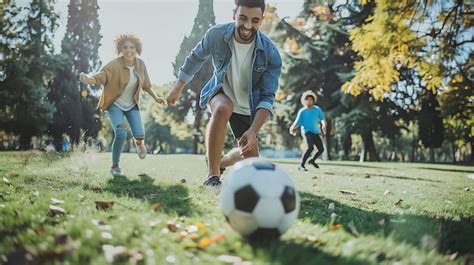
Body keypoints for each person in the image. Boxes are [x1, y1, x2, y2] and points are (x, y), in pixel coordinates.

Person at [166, 0, 282, 187]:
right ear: (234, 13)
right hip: (221, 92)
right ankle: (213, 177)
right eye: (242, 18)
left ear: (261, 20)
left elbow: (268, 97)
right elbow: (195, 57)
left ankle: (220, 162)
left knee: (250, 159)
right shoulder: (217, 34)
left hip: (248, 108)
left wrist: (253, 130)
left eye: (255, 20)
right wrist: (177, 87)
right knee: (222, 108)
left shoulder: (270, 52)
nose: (247, 25)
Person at [79, 33, 165, 176]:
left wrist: (156, 97)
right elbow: (102, 76)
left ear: (136, 48)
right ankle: (115, 166)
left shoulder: (140, 64)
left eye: (132, 47)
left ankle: (139, 143)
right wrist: (89, 79)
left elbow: (147, 85)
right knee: (121, 133)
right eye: (125, 47)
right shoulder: (114, 64)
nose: (129, 50)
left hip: (132, 105)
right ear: (120, 49)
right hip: (115, 105)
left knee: (139, 134)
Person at [289, 90, 326, 171]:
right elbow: (297, 122)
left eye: (311, 99)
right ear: (304, 101)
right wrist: (292, 128)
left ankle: (312, 160)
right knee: (310, 147)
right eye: (307, 99)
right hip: (307, 131)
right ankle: (301, 165)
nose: (309, 101)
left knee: (321, 149)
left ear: (313, 101)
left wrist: (323, 125)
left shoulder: (317, 109)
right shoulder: (302, 111)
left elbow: (322, 118)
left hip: (316, 131)